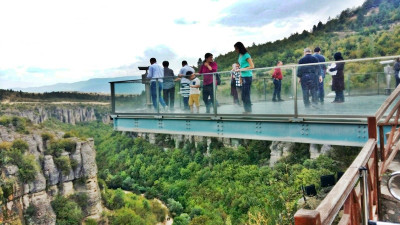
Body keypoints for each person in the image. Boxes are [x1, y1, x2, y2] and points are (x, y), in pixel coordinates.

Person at [234, 42, 254, 114]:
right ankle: (247, 110)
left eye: (236, 48)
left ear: (239, 48)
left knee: (246, 95)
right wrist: (237, 70)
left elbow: (252, 66)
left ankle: (248, 110)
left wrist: (241, 69)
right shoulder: (240, 55)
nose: (235, 50)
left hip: (248, 76)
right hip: (243, 76)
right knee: (243, 95)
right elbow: (241, 65)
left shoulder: (246, 55)